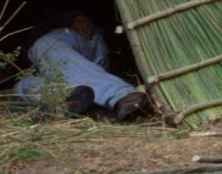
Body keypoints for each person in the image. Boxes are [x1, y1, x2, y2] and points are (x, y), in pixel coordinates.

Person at [14, 12, 147, 120]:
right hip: (44, 70)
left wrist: (72, 17)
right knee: (22, 86)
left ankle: (121, 95)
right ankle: (68, 98)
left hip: (78, 40)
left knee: (45, 46)